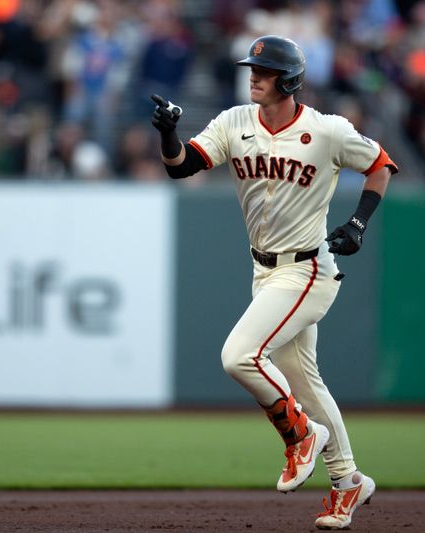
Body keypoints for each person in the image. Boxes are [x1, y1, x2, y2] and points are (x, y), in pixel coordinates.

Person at [151, 35, 397, 530]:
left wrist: (359, 223)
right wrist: (169, 135)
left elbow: (379, 164)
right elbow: (184, 168)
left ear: (288, 80)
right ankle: (349, 482)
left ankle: (300, 436)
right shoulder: (236, 120)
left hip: (307, 268)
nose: (253, 76)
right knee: (305, 382)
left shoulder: (326, 130)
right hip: (265, 270)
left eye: (262, 71)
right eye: (251, 69)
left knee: (239, 355)